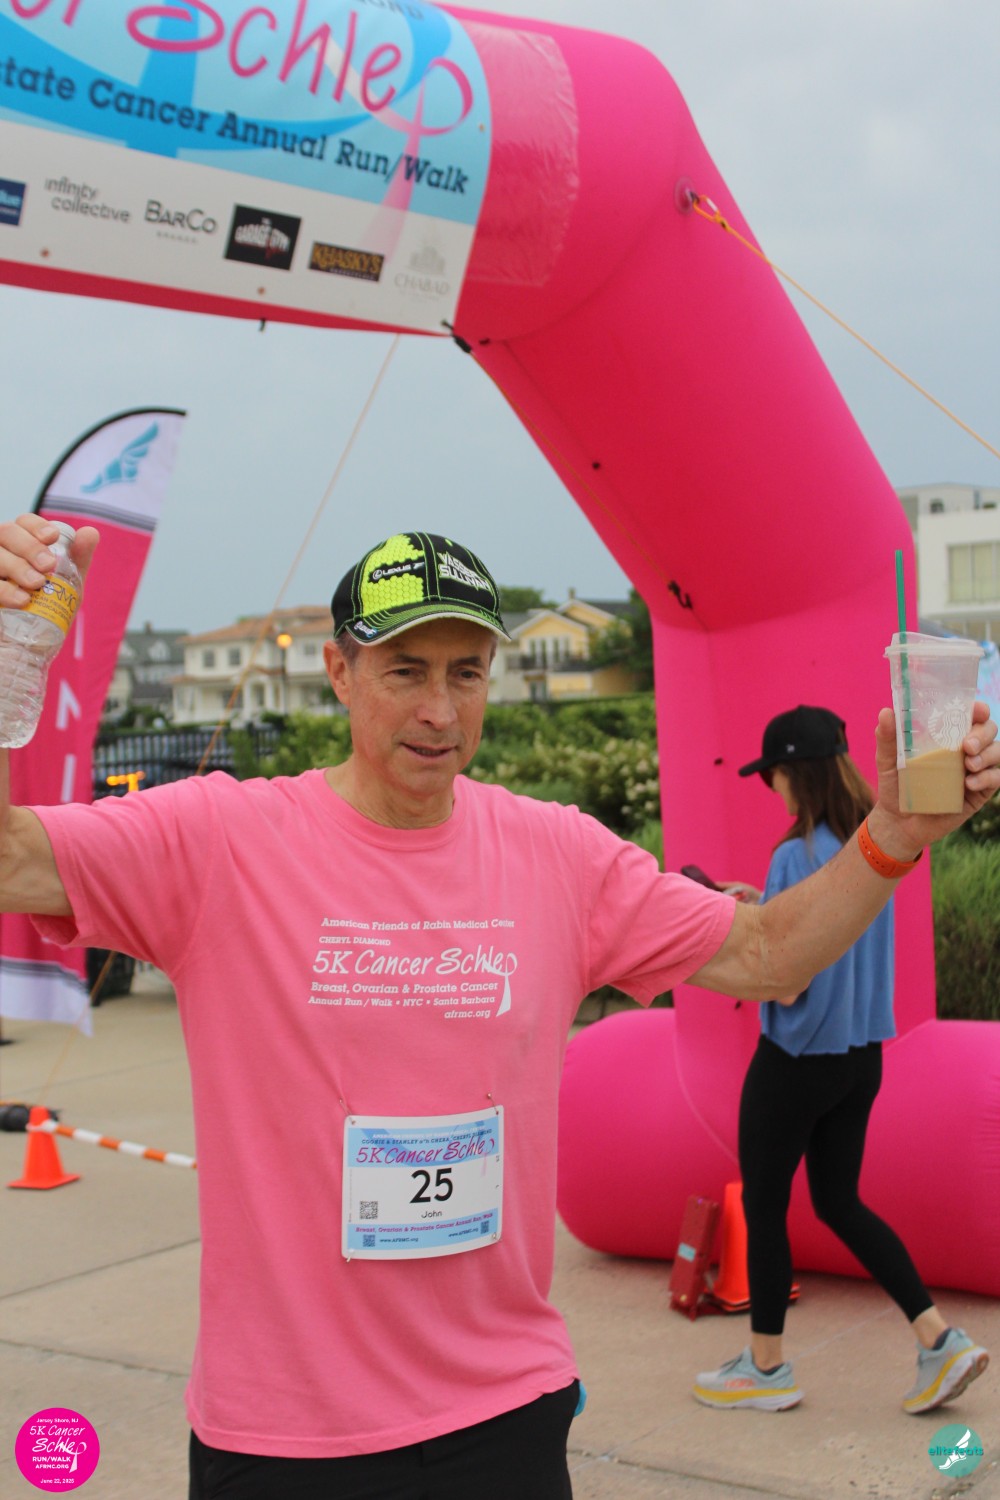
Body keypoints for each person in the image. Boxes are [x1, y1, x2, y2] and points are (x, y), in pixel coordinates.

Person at [1, 520, 997, 1500]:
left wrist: (894, 834)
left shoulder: (557, 853)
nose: (440, 709)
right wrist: (10, 664)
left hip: (502, 1417)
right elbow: (12, 859)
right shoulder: (222, 838)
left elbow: (770, 952)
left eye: (466, 673)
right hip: (286, 1438)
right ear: (339, 671)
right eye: (406, 671)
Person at [693, 705, 991, 1416]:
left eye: (771, 775)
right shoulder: (873, 847)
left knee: (766, 1205)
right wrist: (761, 905)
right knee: (839, 1202)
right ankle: (939, 1339)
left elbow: (786, 979)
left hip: (795, 1057)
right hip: (859, 1058)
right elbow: (834, 937)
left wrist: (724, 932)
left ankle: (766, 1368)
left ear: (793, 772)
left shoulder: (794, 854)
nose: (770, 787)